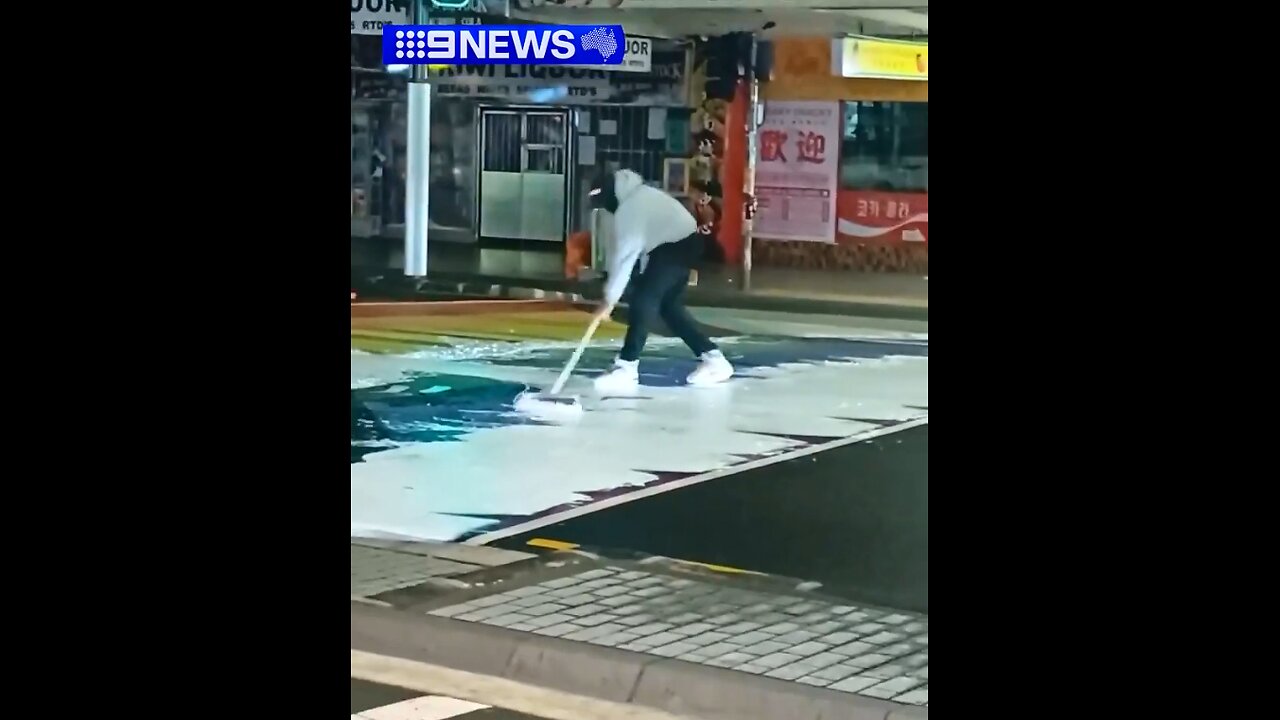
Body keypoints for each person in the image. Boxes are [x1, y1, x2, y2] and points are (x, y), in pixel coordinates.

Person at [588, 168, 734, 391]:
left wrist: (609, 300)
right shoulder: (641, 195)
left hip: (675, 247)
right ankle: (714, 359)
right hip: (684, 244)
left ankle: (626, 367)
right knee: (668, 308)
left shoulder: (631, 208)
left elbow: (625, 257)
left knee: (644, 301)